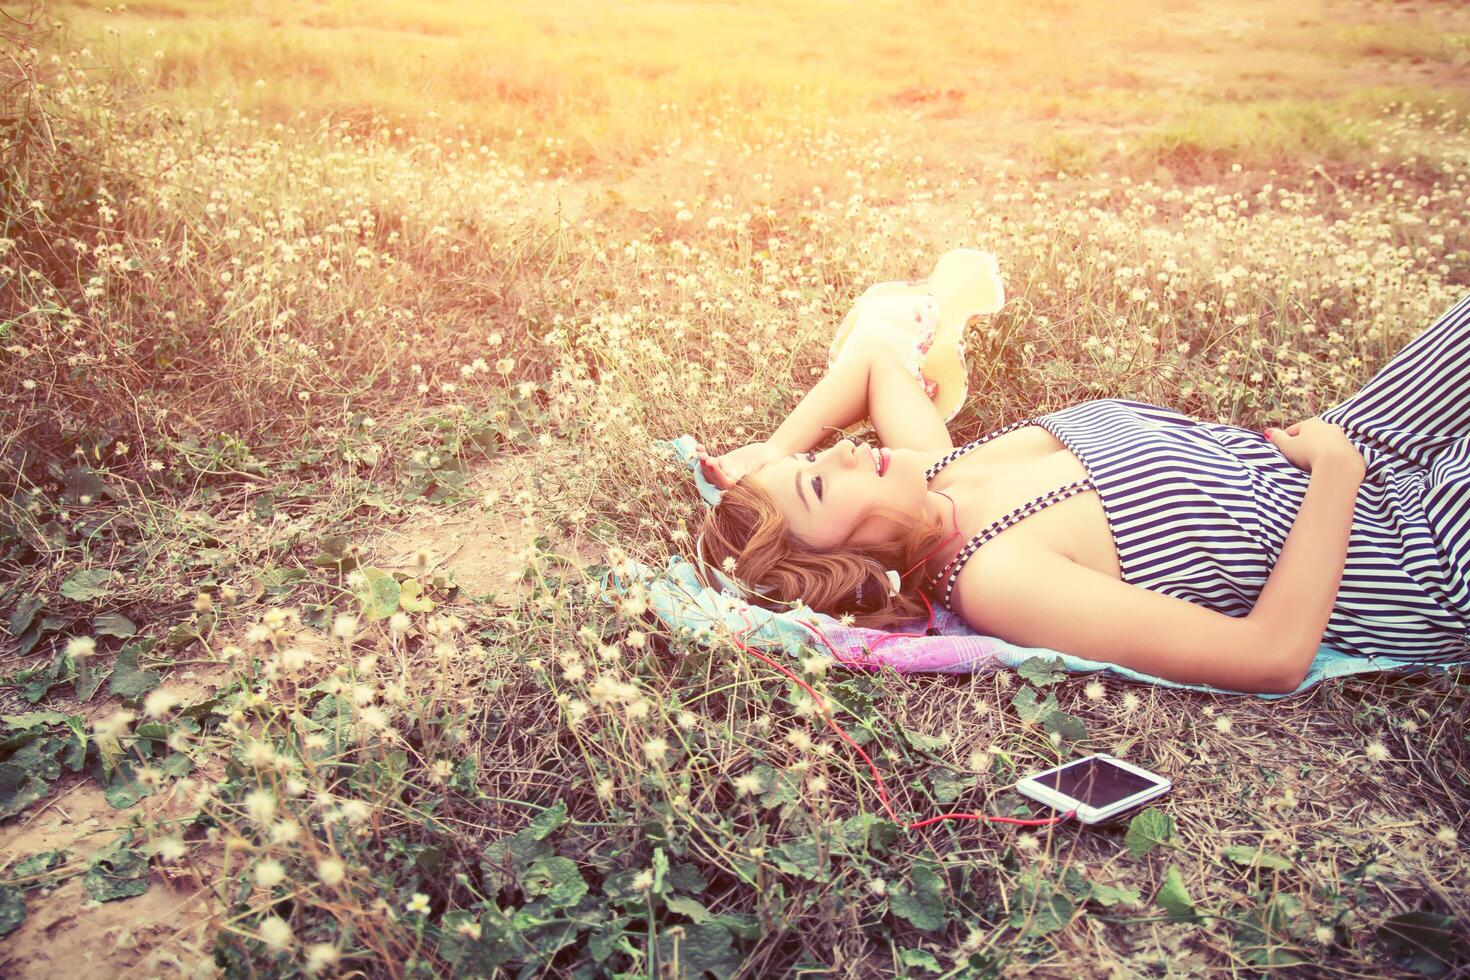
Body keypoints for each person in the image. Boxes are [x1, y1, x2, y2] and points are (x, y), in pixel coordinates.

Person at [692, 293, 1470, 695]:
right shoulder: (1000, 577)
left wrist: (773, 455)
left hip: (1358, 444)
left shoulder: (936, 473)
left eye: (830, 454)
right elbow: (1270, 659)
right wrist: (1337, 473)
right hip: (1404, 551)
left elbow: (871, 363)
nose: (852, 450)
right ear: (856, 566)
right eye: (825, 482)